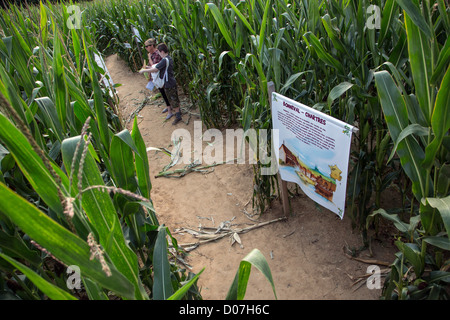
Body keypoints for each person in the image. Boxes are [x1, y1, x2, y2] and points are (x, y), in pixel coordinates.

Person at [141, 43, 182, 125]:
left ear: (162, 51)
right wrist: (148, 68)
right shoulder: (168, 58)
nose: (159, 54)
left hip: (169, 83)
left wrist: (144, 71)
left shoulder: (164, 60)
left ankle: (178, 116)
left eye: (159, 52)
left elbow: (155, 69)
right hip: (171, 81)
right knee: (174, 98)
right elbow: (157, 67)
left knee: (173, 99)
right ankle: (178, 112)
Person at [141, 38, 171, 116]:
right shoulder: (152, 54)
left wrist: (149, 58)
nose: (146, 48)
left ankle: (170, 109)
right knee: (163, 93)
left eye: (147, 46)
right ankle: (168, 107)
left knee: (165, 93)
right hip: (157, 78)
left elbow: (155, 67)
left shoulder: (157, 54)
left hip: (161, 77)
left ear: (152, 46)